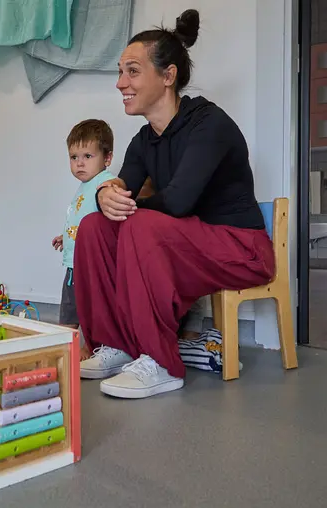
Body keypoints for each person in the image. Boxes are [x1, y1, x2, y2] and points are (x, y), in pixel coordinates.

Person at [74, 9, 275, 399]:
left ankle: (162, 362)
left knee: (140, 223)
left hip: (240, 248)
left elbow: (179, 202)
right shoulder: (142, 141)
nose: (120, 83)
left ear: (167, 76)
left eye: (132, 71)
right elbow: (122, 190)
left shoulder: (209, 124)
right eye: (120, 72)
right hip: (189, 245)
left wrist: (126, 205)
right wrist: (105, 195)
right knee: (94, 227)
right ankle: (116, 346)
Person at [51, 119, 116, 331]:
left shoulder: (105, 182)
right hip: (72, 263)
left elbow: (104, 220)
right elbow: (79, 217)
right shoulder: (84, 185)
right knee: (70, 308)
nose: (79, 163)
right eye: (74, 157)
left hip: (90, 264)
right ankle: (67, 345)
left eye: (87, 156)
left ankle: (90, 345)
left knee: (92, 306)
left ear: (107, 158)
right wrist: (66, 236)